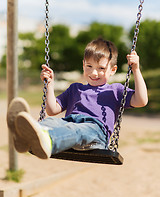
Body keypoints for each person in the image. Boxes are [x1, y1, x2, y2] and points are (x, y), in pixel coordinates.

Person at [7, 38, 148, 159]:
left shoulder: (115, 90)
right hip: (69, 124)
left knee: (77, 130)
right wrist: (49, 84)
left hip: (95, 132)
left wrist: (135, 69)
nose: (94, 72)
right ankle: (25, 136)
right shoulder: (75, 89)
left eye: (101, 68)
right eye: (89, 66)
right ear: (83, 65)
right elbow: (52, 110)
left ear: (113, 70)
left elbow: (141, 101)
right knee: (51, 121)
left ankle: (47, 141)